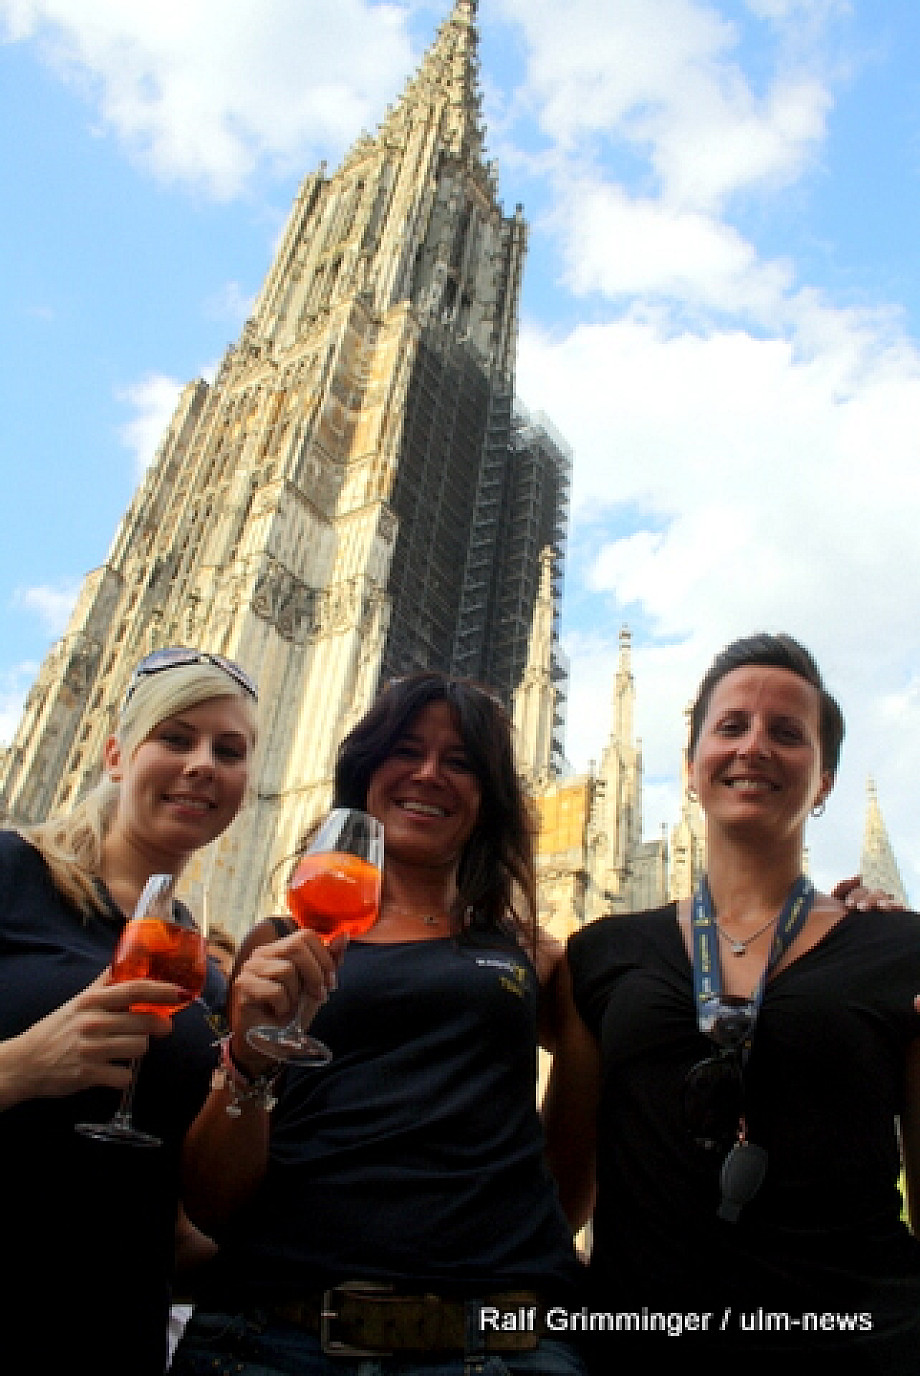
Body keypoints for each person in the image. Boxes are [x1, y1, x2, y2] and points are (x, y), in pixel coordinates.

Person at [172, 671, 587, 1376]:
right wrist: (249, 1056)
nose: (429, 774)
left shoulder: (533, 954)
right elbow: (212, 1202)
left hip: (492, 1344)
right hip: (270, 1339)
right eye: (406, 750)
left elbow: (571, 1169)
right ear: (366, 773)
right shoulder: (278, 944)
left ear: (488, 797)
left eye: (461, 762)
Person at [545, 633, 920, 1373]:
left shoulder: (897, 947)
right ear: (690, 768)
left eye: (787, 733)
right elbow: (558, 1194)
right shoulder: (601, 954)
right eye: (731, 726)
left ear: (825, 780)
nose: (754, 747)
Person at [0, 647, 258, 1376]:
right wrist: (19, 1067)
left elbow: (172, 1221)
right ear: (116, 755)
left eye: (228, 751)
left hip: (111, 1340)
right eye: (174, 739)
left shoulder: (199, 974)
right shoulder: (13, 874)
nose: (202, 764)